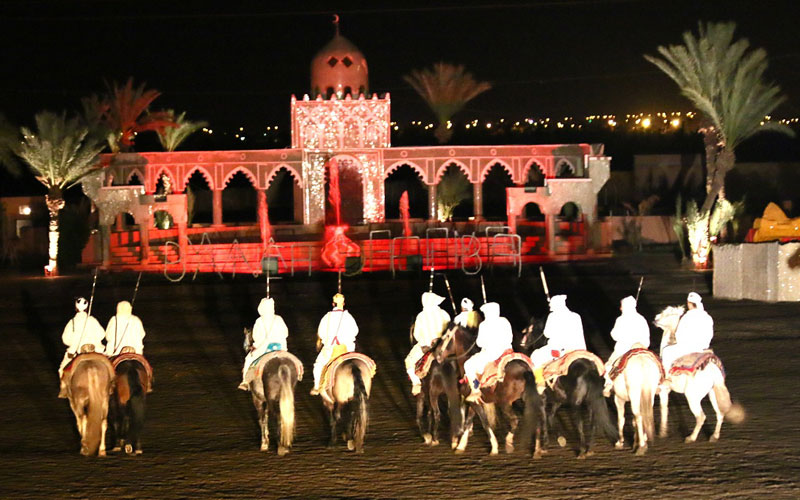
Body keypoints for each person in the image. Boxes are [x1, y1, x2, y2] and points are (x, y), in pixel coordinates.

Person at [530, 295, 586, 392]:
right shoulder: (576, 316)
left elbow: (547, 333)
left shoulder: (553, 316)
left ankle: (540, 382)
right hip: (578, 349)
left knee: (535, 356)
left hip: (558, 349)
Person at [311, 293, 359, 396]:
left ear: (333, 304)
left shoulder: (327, 317)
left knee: (318, 365)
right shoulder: (348, 317)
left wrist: (326, 340)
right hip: (347, 349)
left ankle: (316, 386)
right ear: (343, 303)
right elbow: (355, 331)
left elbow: (321, 333)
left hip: (330, 349)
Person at [464, 302, 513, 402]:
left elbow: (479, 343)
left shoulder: (484, 324)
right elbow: (510, 337)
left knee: (468, 365)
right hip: (507, 351)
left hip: (491, 353)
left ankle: (475, 389)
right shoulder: (504, 320)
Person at [602, 296, 651, 396]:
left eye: (621, 306)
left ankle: (608, 384)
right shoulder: (641, 319)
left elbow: (614, 335)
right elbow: (646, 336)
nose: (620, 308)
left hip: (623, 349)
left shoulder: (620, 319)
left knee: (609, 365)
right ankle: (658, 383)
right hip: (640, 349)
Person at [405, 292, 451, 395]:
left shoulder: (421, 316)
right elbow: (449, 330)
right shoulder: (444, 313)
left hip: (426, 345)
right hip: (442, 345)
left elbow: (417, 335)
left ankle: (416, 382)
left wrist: (426, 341)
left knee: (408, 360)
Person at [239, 297, 289, 391]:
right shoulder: (279, 319)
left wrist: (255, 345)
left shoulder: (259, 321)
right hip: (281, 347)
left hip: (265, 347)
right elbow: (286, 333)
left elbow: (256, 337)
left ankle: (245, 381)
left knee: (248, 359)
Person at [660, 292, 714, 372]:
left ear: (689, 304)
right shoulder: (707, 317)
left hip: (687, 348)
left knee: (666, 352)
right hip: (702, 348)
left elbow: (679, 334)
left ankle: (667, 377)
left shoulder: (687, 317)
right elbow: (710, 334)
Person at [59, 297, 106, 378]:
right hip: (96, 351)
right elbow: (102, 334)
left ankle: (65, 389)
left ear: (76, 308)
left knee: (62, 370)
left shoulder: (72, 322)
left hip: (77, 352)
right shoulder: (92, 320)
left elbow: (65, 340)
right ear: (87, 308)